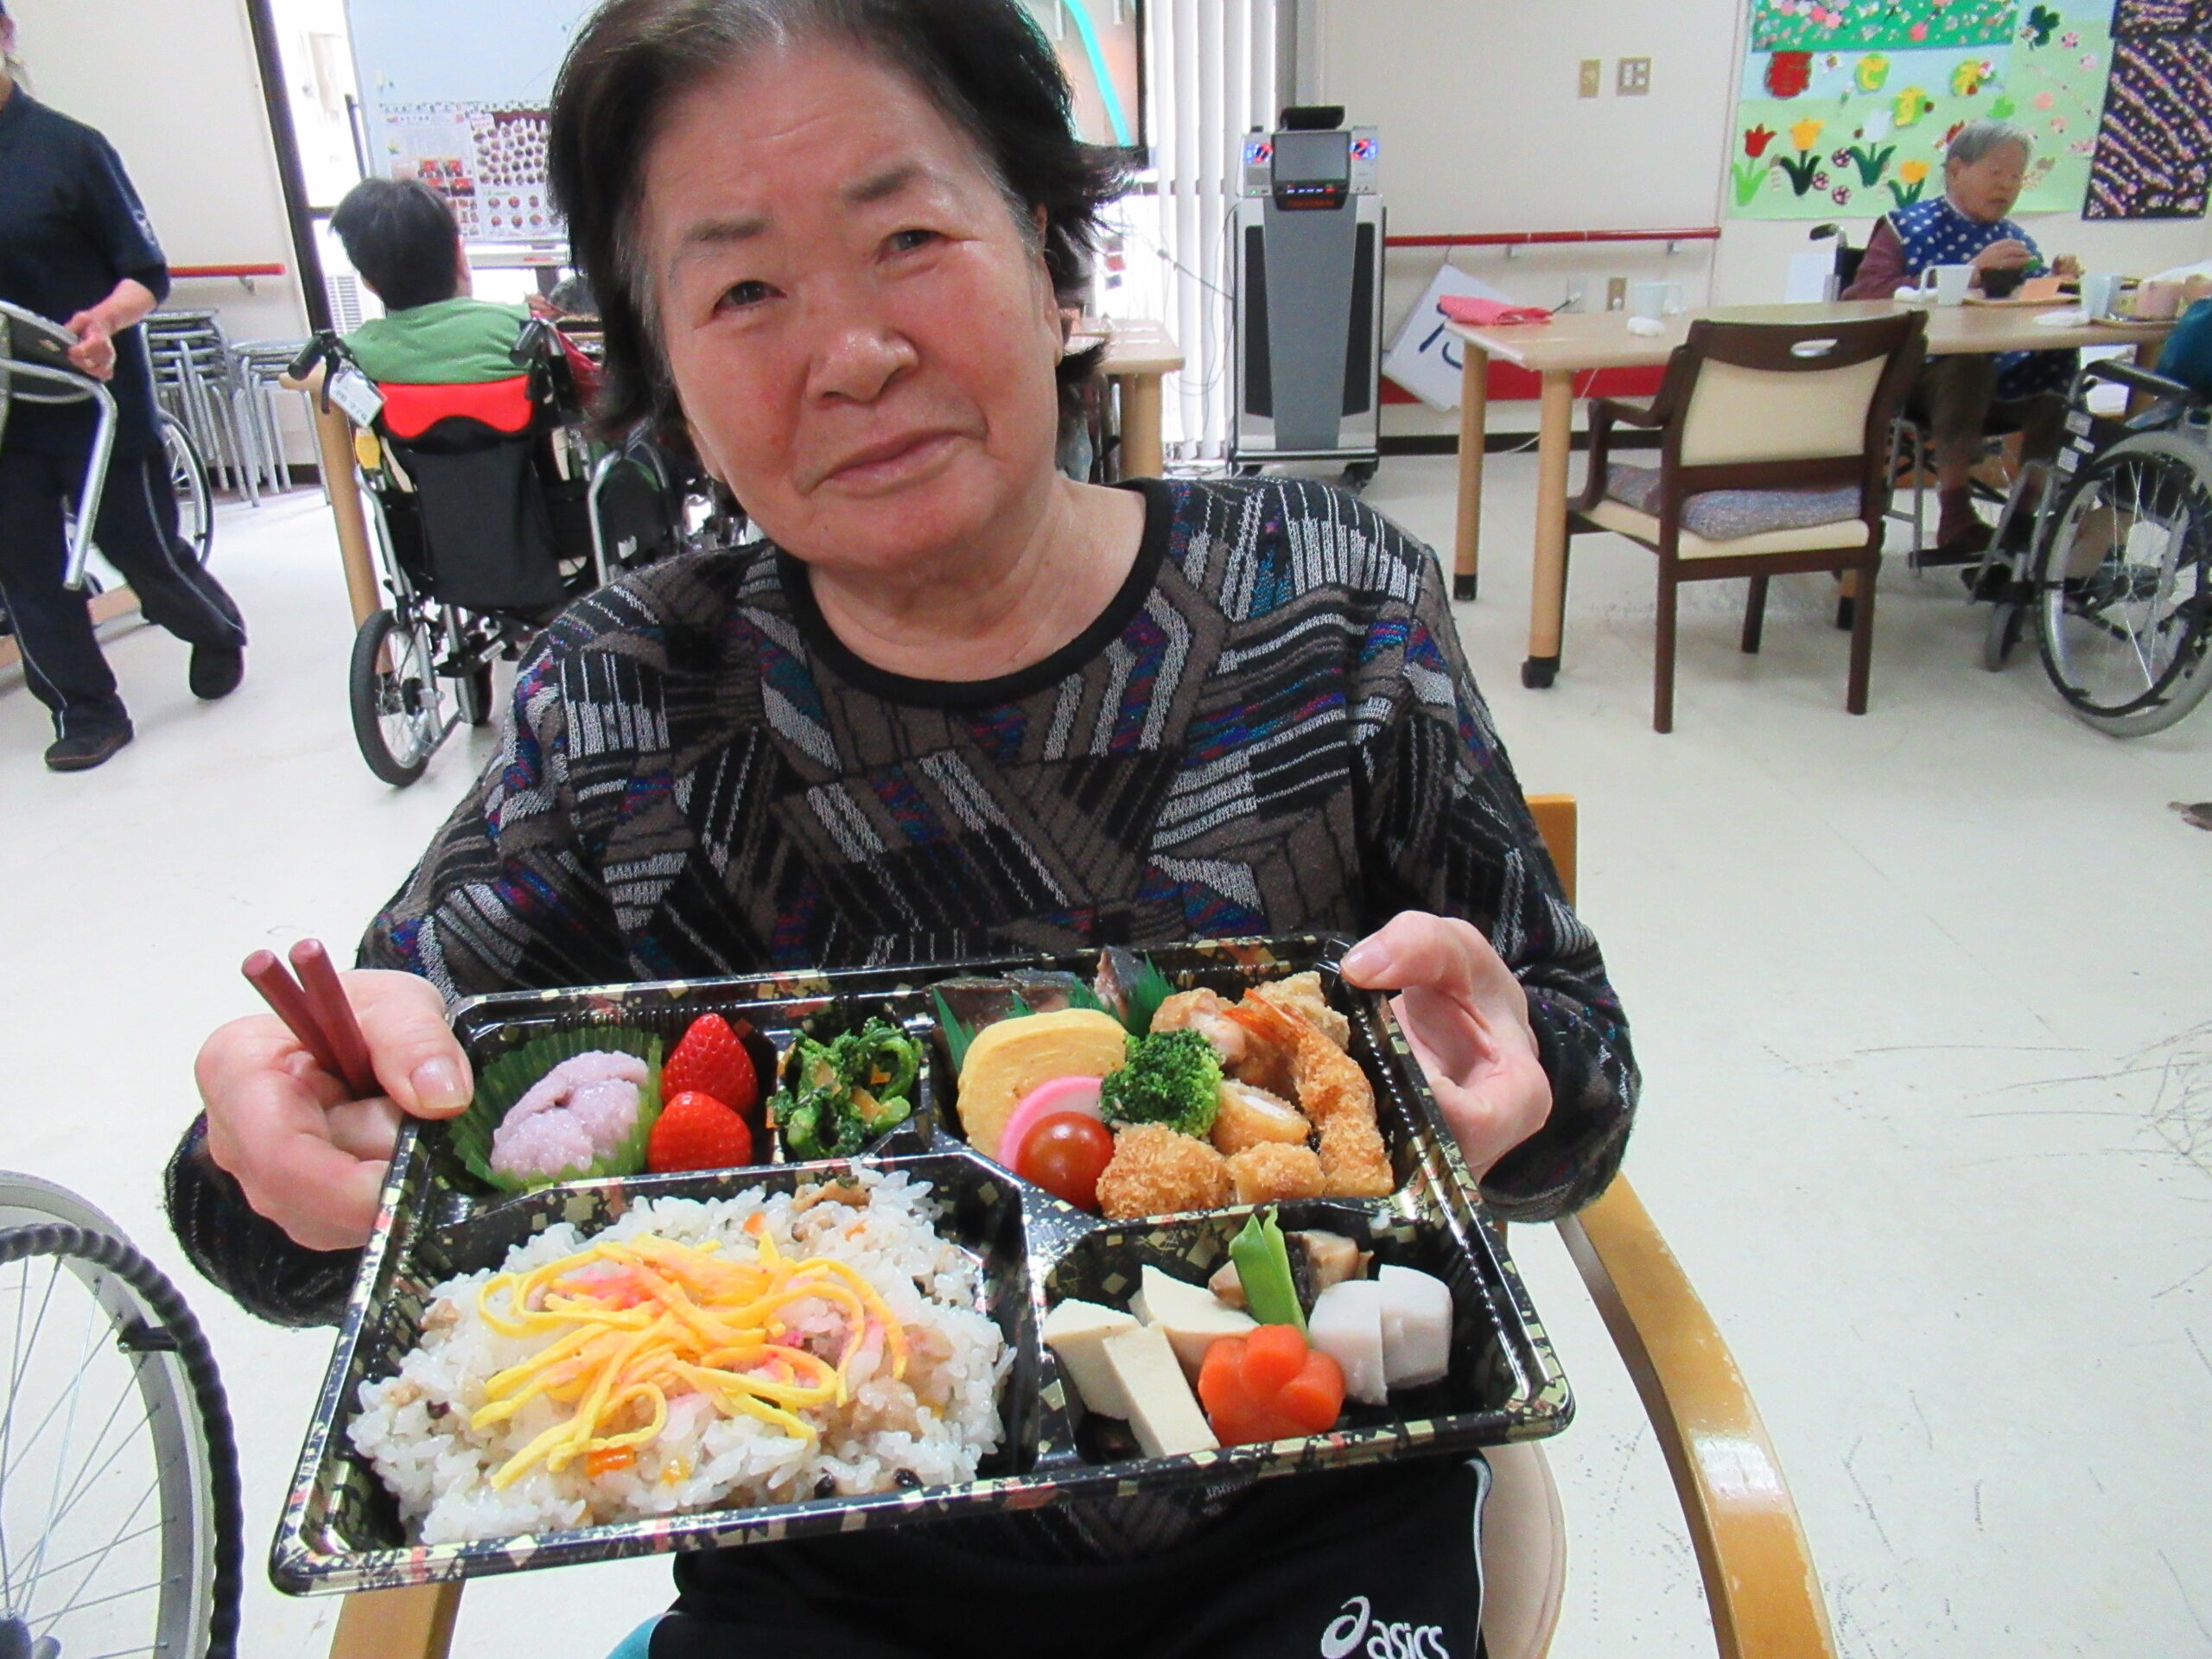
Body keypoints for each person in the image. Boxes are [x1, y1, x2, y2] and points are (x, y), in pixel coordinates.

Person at [175, 3, 1638, 1654]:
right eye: (741, 288)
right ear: (661, 365)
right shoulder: (626, 700)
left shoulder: (1330, 605)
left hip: (1308, 1516)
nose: (852, 354)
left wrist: (1529, 1092)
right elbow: (301, 1214)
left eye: (909, 238)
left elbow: (1582, 1088)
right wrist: (283, 1152)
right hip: (828, 1575)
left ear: (1046, 251)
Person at [0, 0, 246, 771]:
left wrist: (106, 319)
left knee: (138, 550)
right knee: (26, 565)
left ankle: (211, 627)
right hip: (7, 411)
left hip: (94, 399)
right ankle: (86, 708)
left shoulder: (69, 149)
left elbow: (148, 275)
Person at [1845, 119, 2083, 559]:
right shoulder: (1906, 226)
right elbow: (1867, 295)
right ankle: (1955, 513)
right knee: (1966, 366)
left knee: (2062, 373)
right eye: (1996, 173)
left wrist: (2058, 283)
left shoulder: (2016, 238)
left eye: (2016, 177)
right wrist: (1970, 272)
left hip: (2005, 378)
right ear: (1956, 171)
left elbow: (2028, 303)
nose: (2007, 187)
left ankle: (2022, 515)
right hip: (1916, 379)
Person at [327, 176, 532, 385]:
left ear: (368, 282)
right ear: (459, 256)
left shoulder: (355, 352)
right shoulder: (524, 330)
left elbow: (319, 379)